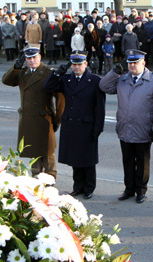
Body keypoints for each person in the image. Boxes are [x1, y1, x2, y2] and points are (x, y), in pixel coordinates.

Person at [99, 50, 153, 203]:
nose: (132, 66)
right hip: (125, 128)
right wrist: (115, 72)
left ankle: (141, 190)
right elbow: (103, 86)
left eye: (136, 62)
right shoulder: (122, 79)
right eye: (130, 63)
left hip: (144, 128)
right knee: (127, 160)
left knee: (142, 162)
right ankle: (129, 189)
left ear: (144, 63)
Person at [43, 51, 105, 198]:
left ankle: (89, 188)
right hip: (71, 124)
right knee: (75, 159)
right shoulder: (66, 80)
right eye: (74, 65)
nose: (76, 67)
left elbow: (100, 107)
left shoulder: (94, 81)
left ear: (86, 64)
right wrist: (57, 74)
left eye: (79, 64)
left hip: (87, 125)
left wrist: (98, 128)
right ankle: (78, 187)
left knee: (88, 159)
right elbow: (48, 87)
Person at [2, 46, 64, 179]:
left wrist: (58, 119)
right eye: (28, 58)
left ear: (40, 57)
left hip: (44, 118)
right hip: (28, 118)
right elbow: (6, 81)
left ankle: (50, 178)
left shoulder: (48, 73)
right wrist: (15, 68)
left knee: (48, 152)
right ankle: (36, 177)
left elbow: (60, 98)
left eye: (34, 57)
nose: (31, 60)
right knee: (34, 150)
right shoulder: (23, 72)